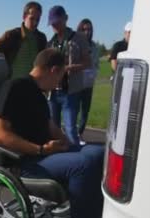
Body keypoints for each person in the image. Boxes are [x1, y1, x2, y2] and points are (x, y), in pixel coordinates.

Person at [0, 48, 104, 218]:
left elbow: (50, 127)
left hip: (46, 154)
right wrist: (41, 149)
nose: (61, 82)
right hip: (27, 162)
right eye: (62, 75)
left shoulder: (38, 94)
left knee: (98, 154)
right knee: (83, 165)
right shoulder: (14, 87)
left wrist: (71, 145)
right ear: (53, 70)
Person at [46, 5, 91, 146]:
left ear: (65, 19)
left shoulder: (79, 38)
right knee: (53, 130)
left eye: (57, 22)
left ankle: (76, 161)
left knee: (71, 129)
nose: (55, 26)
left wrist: (68, 68)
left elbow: (87, 62)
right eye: (52, 24)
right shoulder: (50, 42)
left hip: (70, 92)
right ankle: (58, 160)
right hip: (53, 93)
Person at [0, 1, 47, 79]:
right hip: (13, 84)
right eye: (32, 18)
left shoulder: (41, 38)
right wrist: (1, 69)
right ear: (24, 16)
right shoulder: (11, 35)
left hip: (33, 85)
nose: (35, 22)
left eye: (38, 19)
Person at [76, 18, 100, 145]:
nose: (87, 32)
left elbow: (96, 64)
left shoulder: (95, 47)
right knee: (74, 110)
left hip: (88, 84)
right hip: (76, 83)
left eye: (89, 29)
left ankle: (79, 133)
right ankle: (71, 135)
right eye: (84, 29)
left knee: (85, 111)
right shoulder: (75, 44)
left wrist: (94, 72)